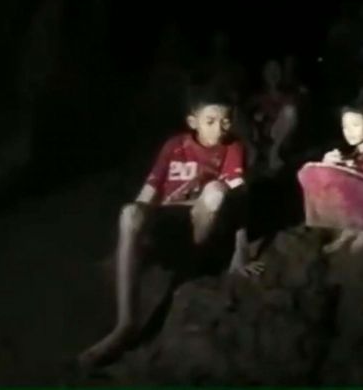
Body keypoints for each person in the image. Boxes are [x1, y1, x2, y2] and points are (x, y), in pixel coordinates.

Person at [78, 87, 252, 368]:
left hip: (200, 230)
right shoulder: (175, 146)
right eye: (210, 121)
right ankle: (126, 324)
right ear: (193, 121)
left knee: (217, 190)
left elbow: (239, 198)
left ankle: (189, 264)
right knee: (130, 212)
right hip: (167, 225)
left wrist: (240, 247)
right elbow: (150, 190)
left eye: (226, 121)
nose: (219, 129)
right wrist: (132, 228)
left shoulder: (232, 147)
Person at [298, 98, 363, 253]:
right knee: (322, 172)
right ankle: (350, 229)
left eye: (355, 125)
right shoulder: (355, 151)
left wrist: (349, 167)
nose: (349, 131)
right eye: (345, 127)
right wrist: (332, 162)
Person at [248, 59, 299, 172]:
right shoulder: (257, 96)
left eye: (276, 70)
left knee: (289, 111)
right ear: (263, 73)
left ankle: (274, 152)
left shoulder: (288, 95)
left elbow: (290, 118)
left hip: (281, 138)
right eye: (270, 70)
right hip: (261, 134)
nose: (273, 73)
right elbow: (250, 113)